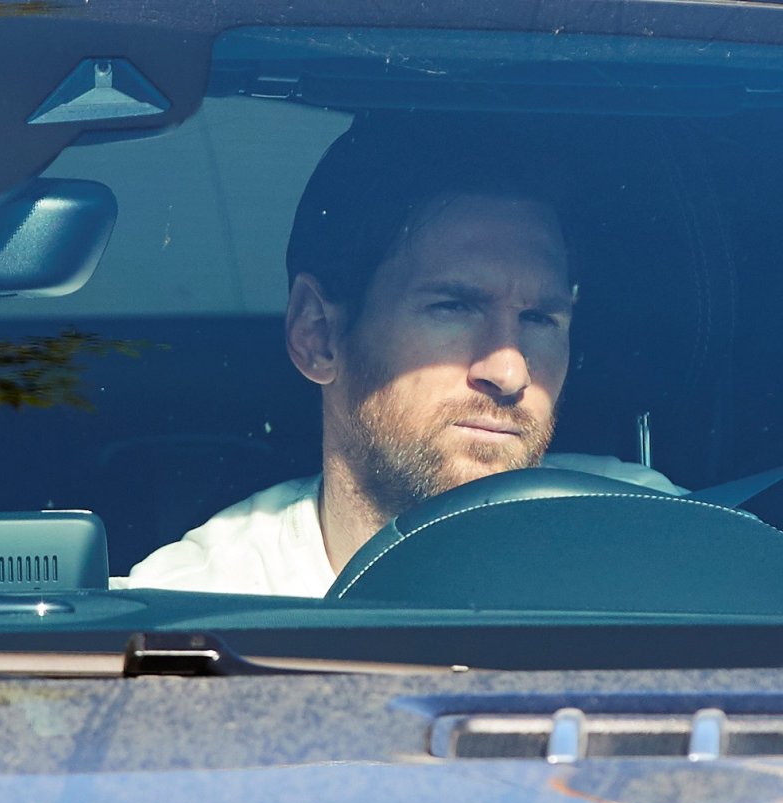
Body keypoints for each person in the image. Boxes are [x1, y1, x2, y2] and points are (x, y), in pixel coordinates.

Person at [114, 116, 682, 597]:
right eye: (454, 307)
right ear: (319, 335)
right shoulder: (198, 611)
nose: (509, 372)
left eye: (538, 319)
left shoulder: (667, 543)